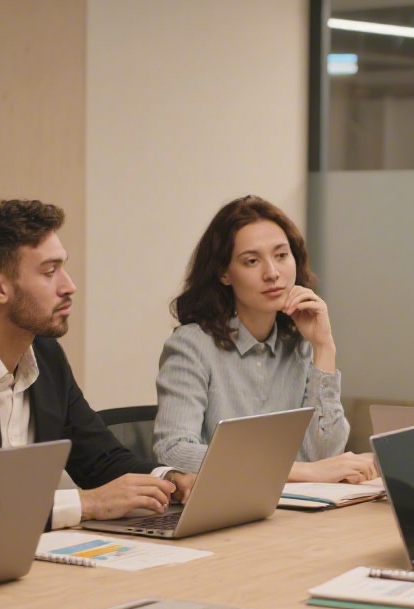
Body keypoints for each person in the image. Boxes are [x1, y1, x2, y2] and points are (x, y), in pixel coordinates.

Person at [0, 199, 191, 528]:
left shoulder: (45, 354)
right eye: (49, 272)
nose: (69, 286)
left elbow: (100, 458)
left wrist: (171, 480)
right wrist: (87, 503)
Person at [153, 195, 374, 483]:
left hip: (299, 511)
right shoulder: (192, 345)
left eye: (281, 256)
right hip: (226, 510)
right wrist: (301, 471)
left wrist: (323, 347)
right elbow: (173, 451)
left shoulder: (300, 342)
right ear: (224, 274)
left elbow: (326, 453)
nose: (272, 273)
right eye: (252, 261)